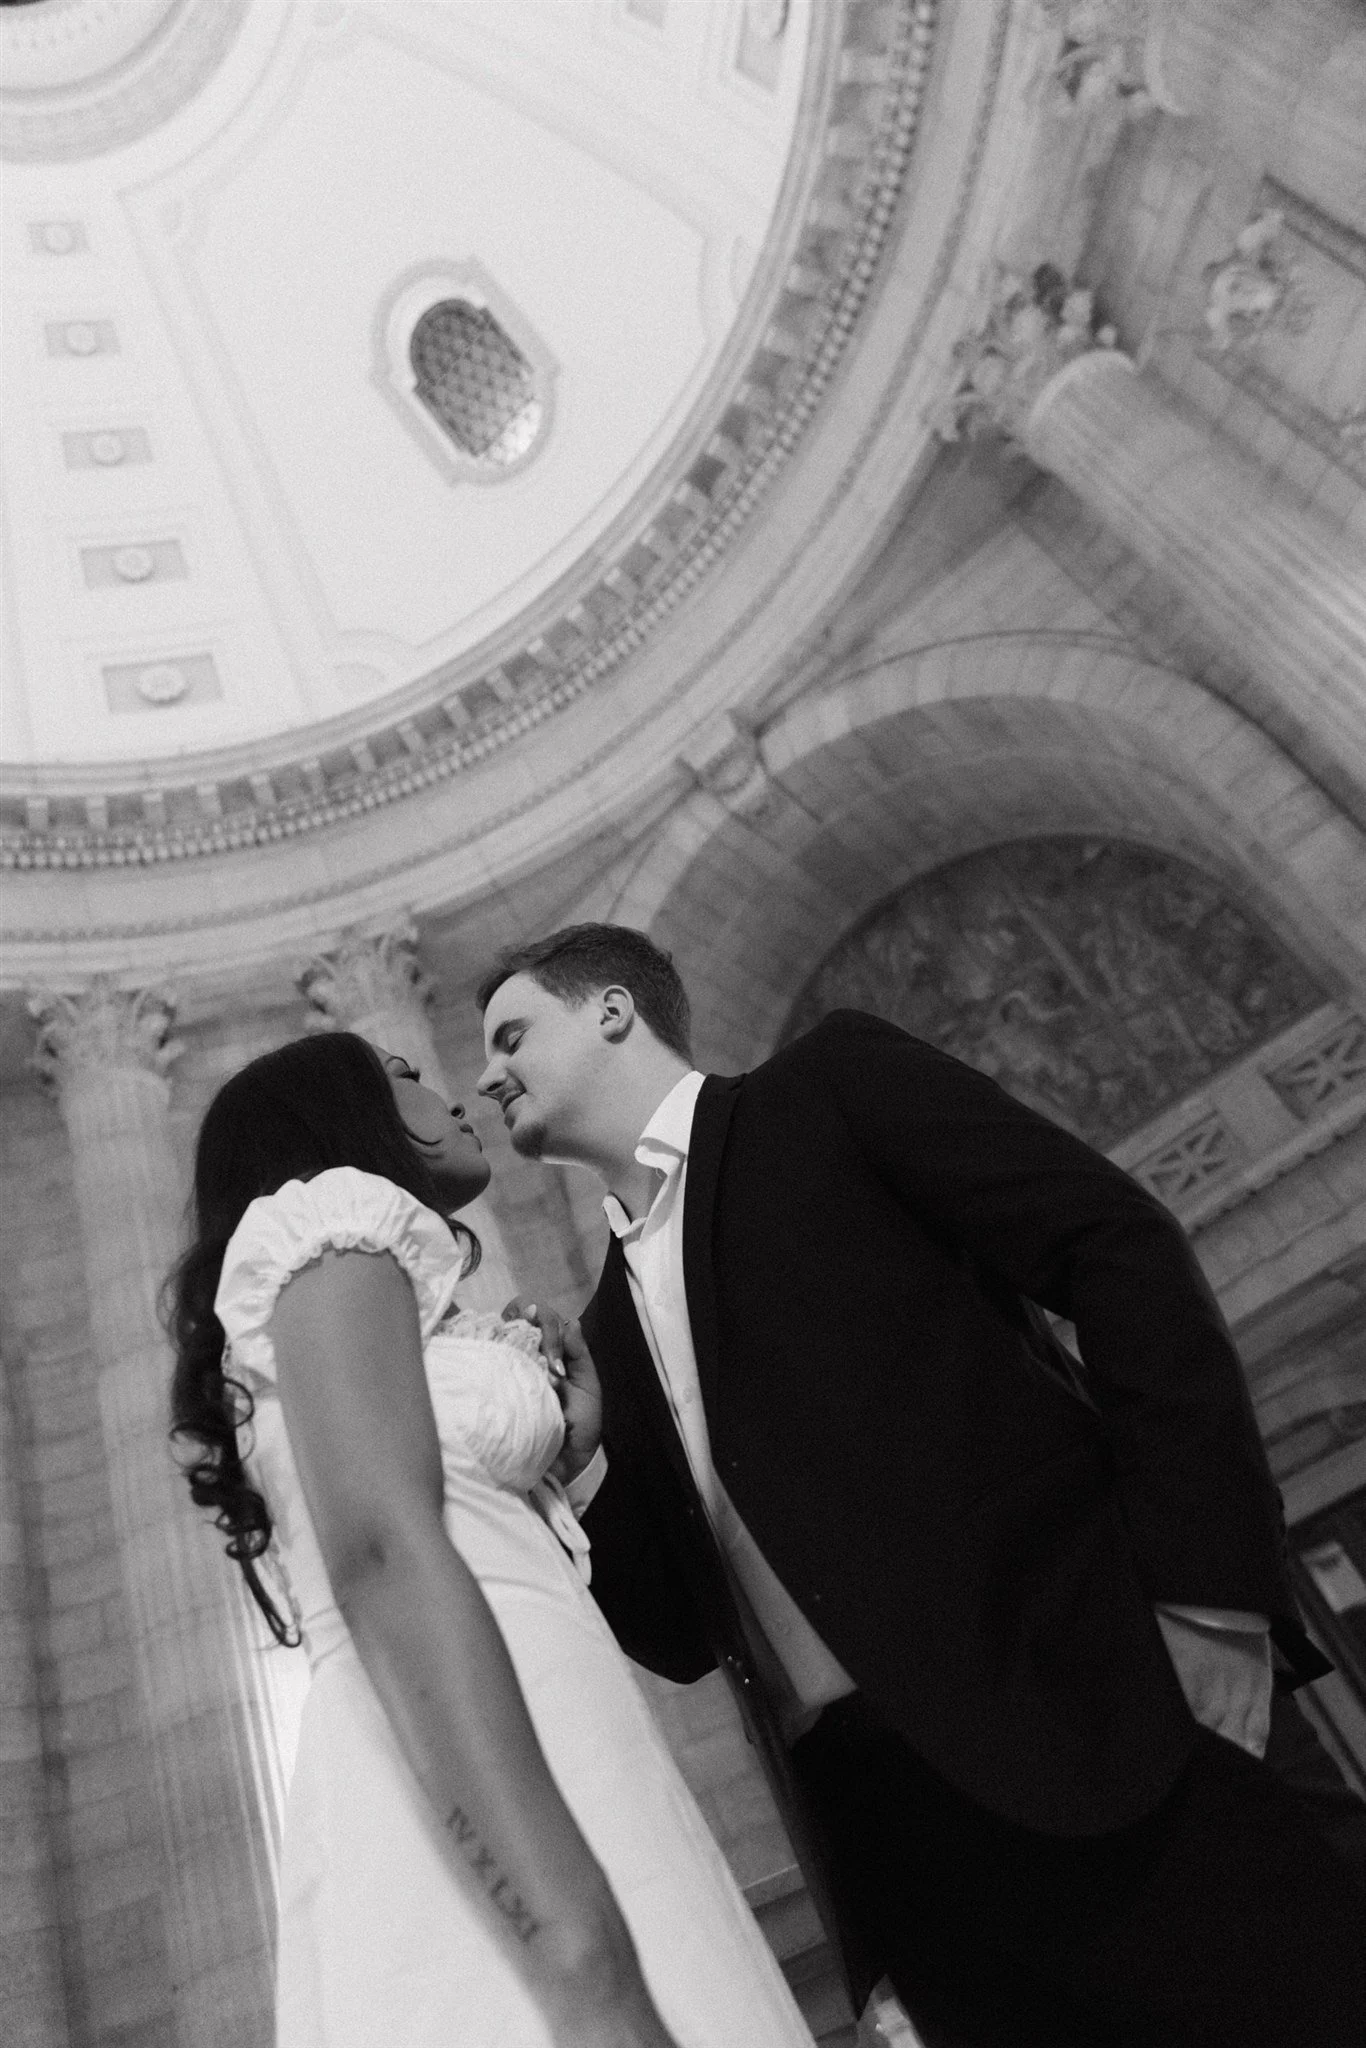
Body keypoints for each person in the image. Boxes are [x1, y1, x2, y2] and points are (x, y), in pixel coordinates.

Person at [475, 922, 1366, 2048]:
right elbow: (682, 1636)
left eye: (511, 1034)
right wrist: (585, 1463)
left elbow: (1113, 1243)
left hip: (1093, 1716)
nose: (486, 1073)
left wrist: (1210, 1593)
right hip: (892, 1841)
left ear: (611, 1009)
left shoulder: (825, 1090)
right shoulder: (607, 1320)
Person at [167, 1030, 816, 2048]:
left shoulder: (394, 1295)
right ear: (340, 1115)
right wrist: (575, 1947)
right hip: (485, 1782)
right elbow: (381, 1554)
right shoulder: (334, 1221)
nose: (455, 1087)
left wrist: (574, 1448)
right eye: (404, 1074)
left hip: (569, 1742)